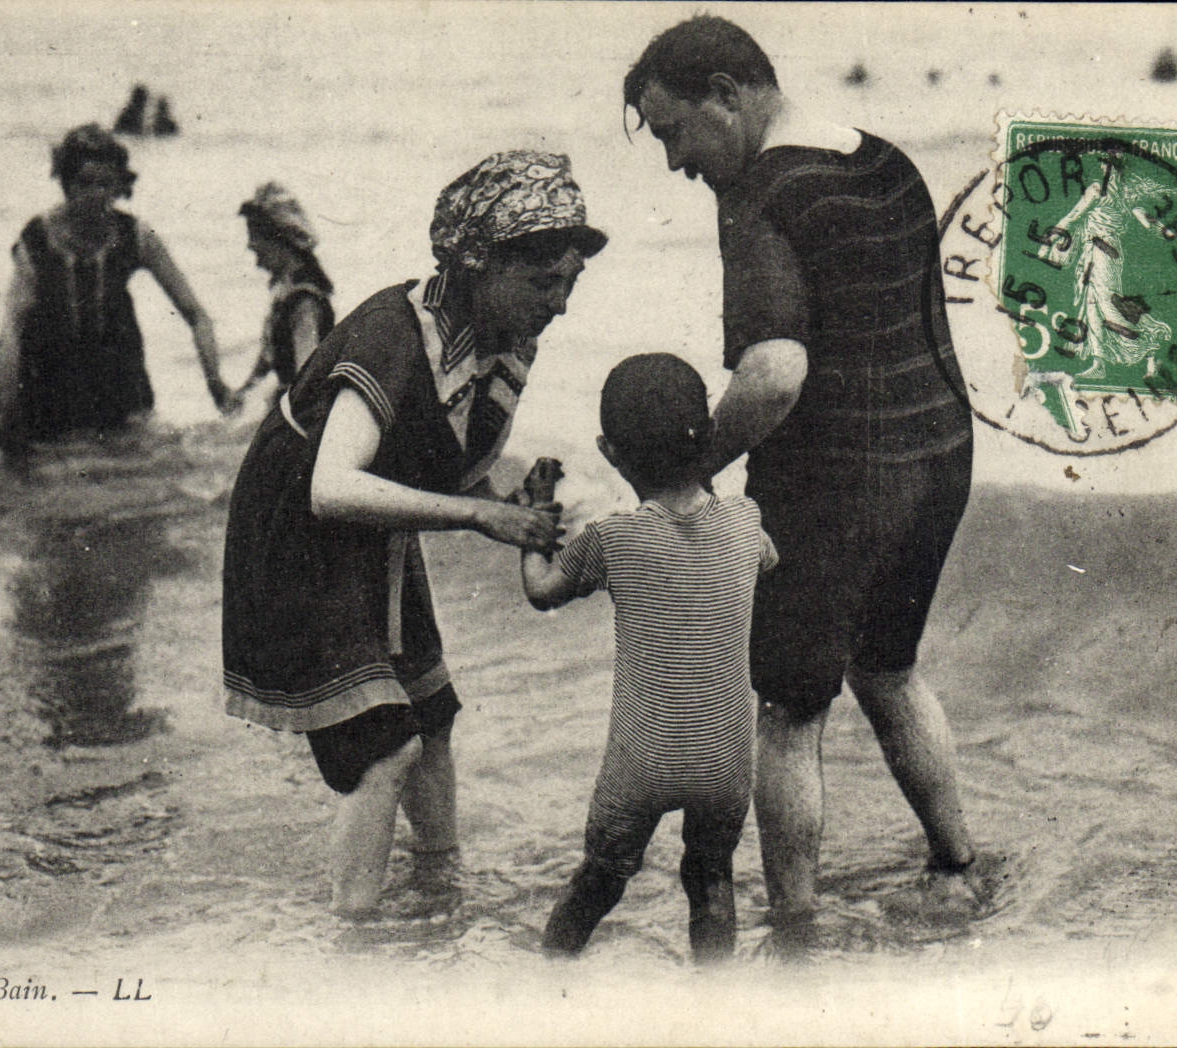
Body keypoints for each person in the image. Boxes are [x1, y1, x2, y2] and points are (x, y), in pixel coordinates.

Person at [623, 16, 981, 934]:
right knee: (891, 671)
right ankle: (958, 867)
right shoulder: (886, 160)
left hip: (834, 483)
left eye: (672, 132)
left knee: (789, 712)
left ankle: (797, 926)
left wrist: (692, 474)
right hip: (940, 454)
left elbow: (776, 373)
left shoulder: (760, 194)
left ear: (727, 97)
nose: (673, 162)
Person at [221, 150, 607, 917]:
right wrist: (481, 514)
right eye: (542, 282)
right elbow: (332, 487)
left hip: (374, 532)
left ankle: (441, 885)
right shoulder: (392, 334)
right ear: (476, 265)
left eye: (569, 283)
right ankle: (356, 930)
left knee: (432, 717)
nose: (558, 304)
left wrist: (506, 498)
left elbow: (445, 463)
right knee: (383, 744)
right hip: (296, 536)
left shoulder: (502, 339)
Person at [522, 353, 777, 963]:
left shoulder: (612, 539)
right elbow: (767, 560)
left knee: (601, 877)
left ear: (611, 453)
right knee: (712, 877)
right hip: (722, 761)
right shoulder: (746, 521)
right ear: (711, 437)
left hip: (642, 761)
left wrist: (538, 517)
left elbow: (541, 591)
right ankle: (712, 1007)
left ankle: (547, 982)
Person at [0, 124, 238, 441]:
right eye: (85, 183)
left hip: (119, 383)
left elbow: (196, 314)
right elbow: (12, 327)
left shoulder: (135, 235)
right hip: (50, 385)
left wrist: (215, 382)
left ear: (119, 187)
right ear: (66, 184)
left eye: (106, 185)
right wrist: (8, 411)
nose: (96, 195)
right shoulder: (38, 240)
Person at [233, 182, 335, 403]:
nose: (250, 245)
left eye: (254, 235)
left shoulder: (304, 301)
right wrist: (239, 396)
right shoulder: (286, 294)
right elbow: (266, 362)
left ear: (279, 240)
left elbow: (308, 379)